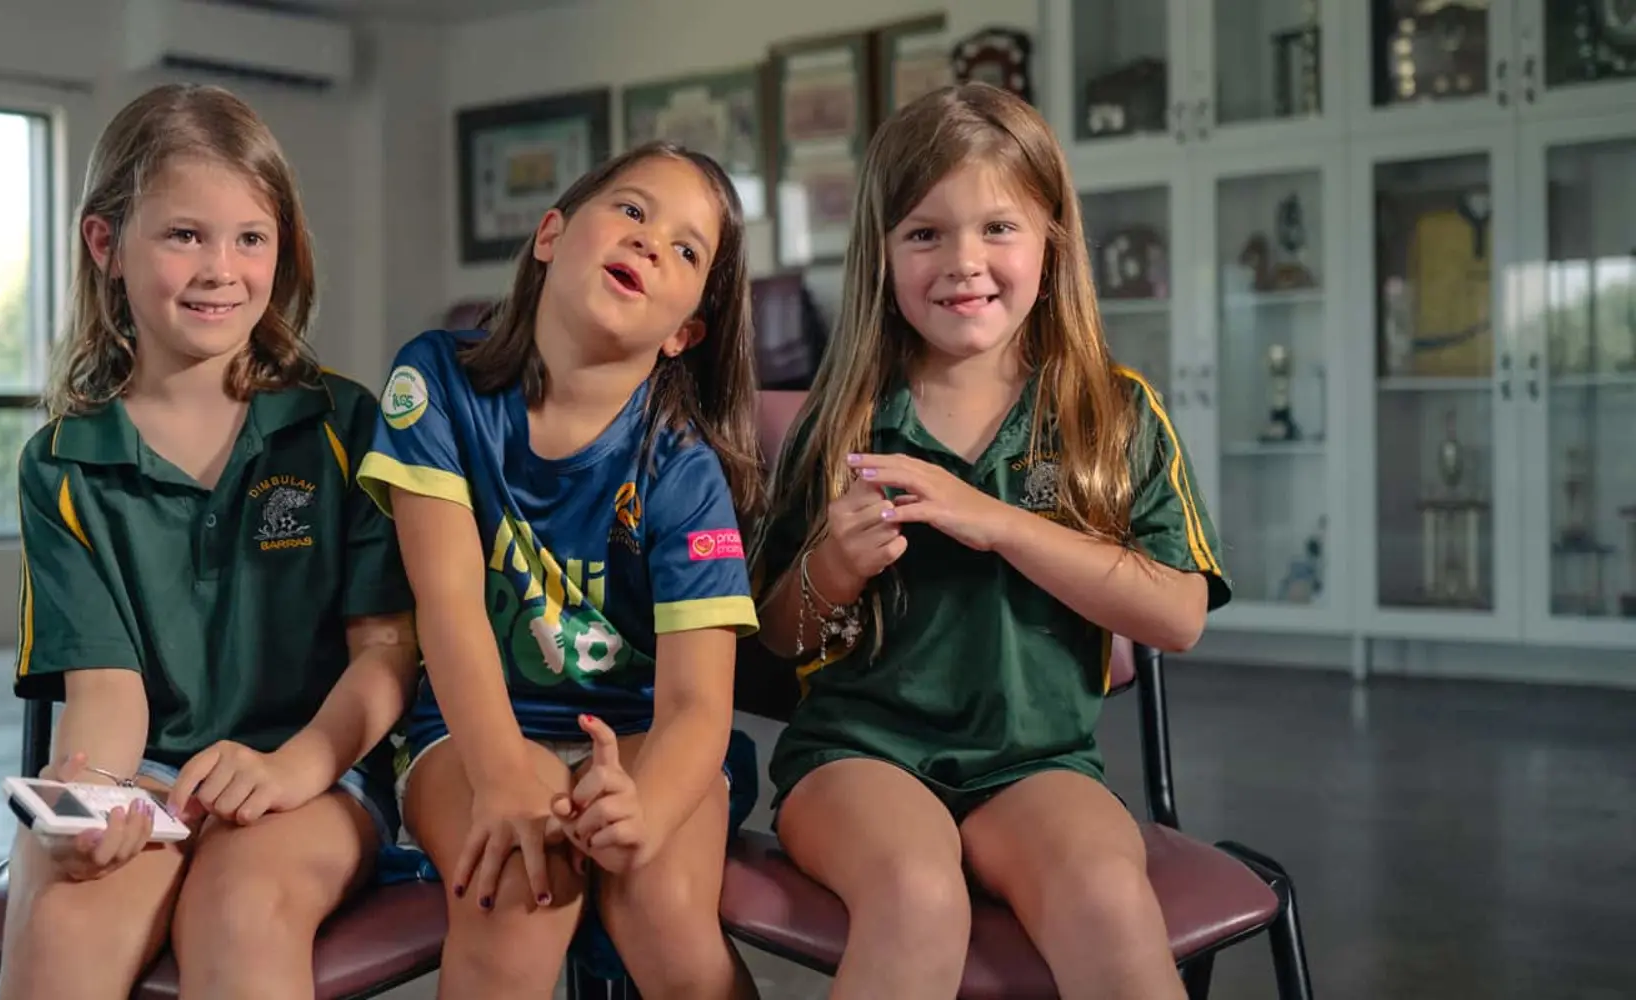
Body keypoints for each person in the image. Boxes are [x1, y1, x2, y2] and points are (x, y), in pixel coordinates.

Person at [747, 83, 1228, 1000]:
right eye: (925, 233)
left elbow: (1178, 616)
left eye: (998, 228)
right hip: (856, 757)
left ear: (1052, 239)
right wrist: (831, 570)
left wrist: (1000, 523)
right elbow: (775, 638)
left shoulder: (1113, 414)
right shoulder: (840, 422)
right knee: (918, 894)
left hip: (1040, 763)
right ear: (882, 257)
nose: (964, 262)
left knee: (1106, 897)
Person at [0, 83, 417, 1000]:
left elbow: (387, 650)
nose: (220, 268)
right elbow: (106, 688)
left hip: (316, 776)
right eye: (184, 234)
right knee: (66, 916)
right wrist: (96, 791)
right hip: (147, 775)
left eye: (250, 238)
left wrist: (295, 766)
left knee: (239, 909)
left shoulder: (345, 423)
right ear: (105, 245)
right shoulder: (61, 466)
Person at [356, 140, 763, 1000]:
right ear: (550, 234)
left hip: (651, 731)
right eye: (631, 211)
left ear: (686, 331)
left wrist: (642, 815)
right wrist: (503, 768)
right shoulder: (436, 380)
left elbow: (698, 704)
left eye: (687, 251)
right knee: (519, 883)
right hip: (467, 728)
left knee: (662, 906)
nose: (651, 243)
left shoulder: (683, 470)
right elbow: (450, 603)